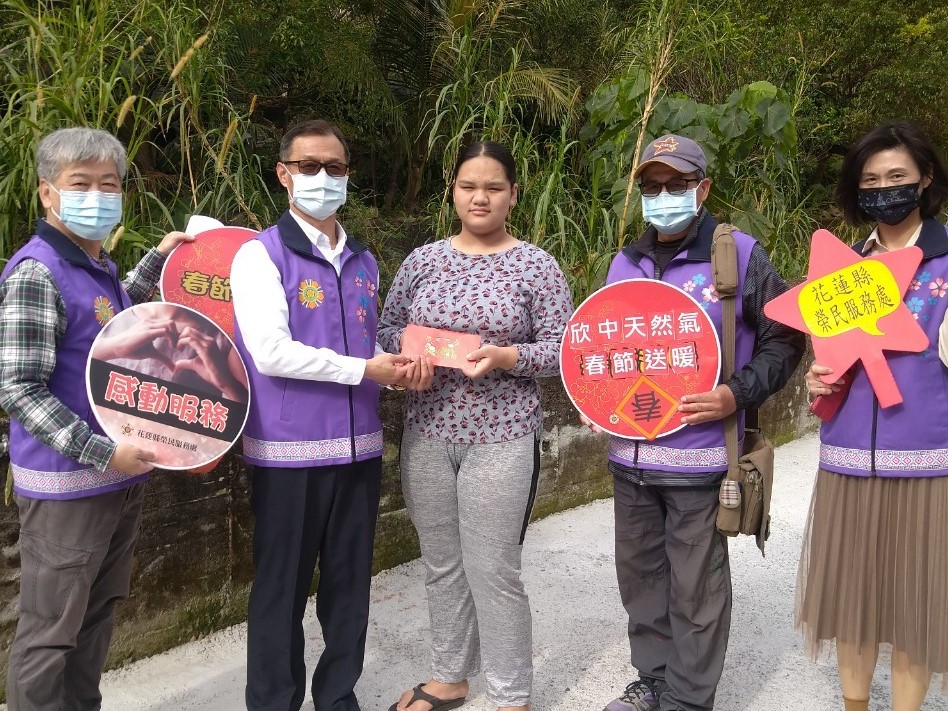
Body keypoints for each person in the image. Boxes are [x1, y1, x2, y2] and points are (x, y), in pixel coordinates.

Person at [594, 134, 805, 711]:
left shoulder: (739, 253)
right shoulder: (624, 261)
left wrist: (735, 395)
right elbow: (602, 347)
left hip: (701, 458)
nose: (663, 195)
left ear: (703, 188)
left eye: (677, 184)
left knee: (696, 586)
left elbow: (785, 339)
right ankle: (654, 681)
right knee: (641, 581)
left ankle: (689, 699)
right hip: (630, 458)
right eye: (652, 186)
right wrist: (597, 399)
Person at [0, 127, 194, 711]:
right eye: (79, 184)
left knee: (95, 619)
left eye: (107, 185)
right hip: (69, 488)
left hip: (118, 480)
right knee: (50, 631)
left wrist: (159, 258)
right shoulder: (37, 273)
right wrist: (101, 450)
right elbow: (17, 388)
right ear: (46, 194)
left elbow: (119, 321)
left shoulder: (95, 265)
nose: (96, 196)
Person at [231, 119, 419, 711]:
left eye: (334, 168)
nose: (322, 178)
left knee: (349, 592)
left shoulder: (364, 261)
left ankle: (337, 697)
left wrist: (407, 361)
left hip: (359, 448)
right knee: (280, 593)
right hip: (288, 453)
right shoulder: (260, 255)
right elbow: (270, 351)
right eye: (309, 167)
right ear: (284, 175)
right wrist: (367, 370)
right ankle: (274, 703)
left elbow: (377, 342)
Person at [379, 140, 573, 711]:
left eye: (493, 187)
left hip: (503, 437)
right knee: (442, 565)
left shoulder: (536, 265)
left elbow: (564, 350)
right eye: (469, 186)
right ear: (453, 192)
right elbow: (388, 332)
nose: (480, 197)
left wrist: (508, 357)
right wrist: (404, 366)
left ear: (513, 194)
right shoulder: (422, 260)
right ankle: (450, 676)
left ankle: (513, 695)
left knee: (493, 569)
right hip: (428, 434)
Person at [797, 121, 948, 711]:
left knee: (915, 603)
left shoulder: (944, 264)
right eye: (871, 181)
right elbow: (828, 357)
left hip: (928, 457)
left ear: (925, 181)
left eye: (897, 178)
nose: (884, 190)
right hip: (847, 454)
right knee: (851, 599)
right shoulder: (840, 267)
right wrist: (817, 379)